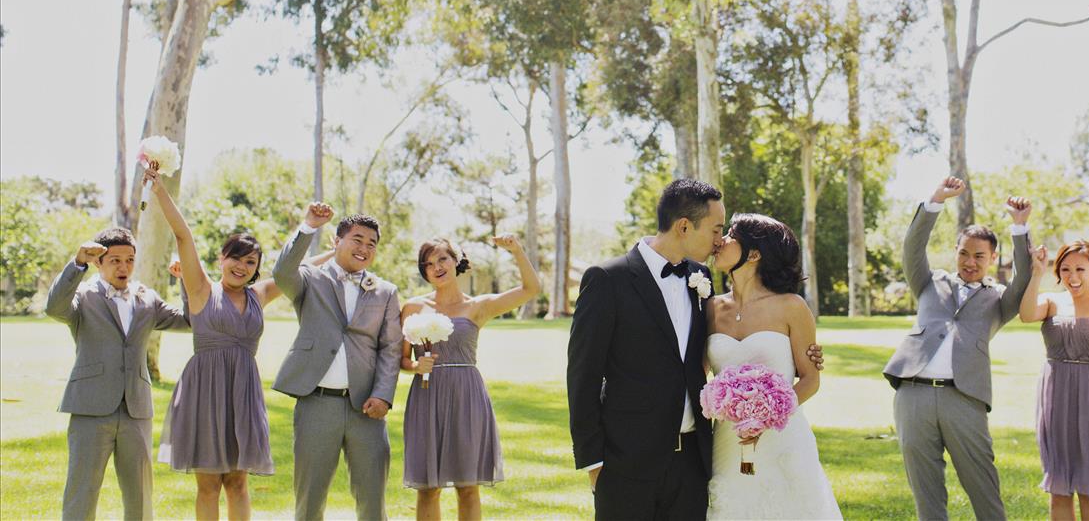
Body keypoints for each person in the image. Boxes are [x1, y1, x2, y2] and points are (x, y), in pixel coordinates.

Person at [566, 178, 825, 521]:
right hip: (627, 463)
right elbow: (582, 375)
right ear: (685, 226)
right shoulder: (607, 279)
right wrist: (593, 462)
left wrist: (799, 363)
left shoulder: (699, 279)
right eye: (717, 229)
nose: (720, 240)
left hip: (694, 462)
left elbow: (697, 361)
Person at [882, 178, 1035, 521]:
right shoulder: (929, 282)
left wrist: (1020, 226)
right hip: (913, 395)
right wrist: (936, 200)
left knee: (983, 486)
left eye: (979, 256)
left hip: (964, 398)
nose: (970, 262)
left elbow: (1024, 278)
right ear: (955, 252)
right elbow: (912, 247)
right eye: (964, 253)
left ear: (993, 258)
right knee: (926, 490)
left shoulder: (999, 300)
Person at [146, 168, 284, 520]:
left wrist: (317, 235)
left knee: (238, 483)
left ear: (256, 269)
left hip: (243, 393)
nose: (242, 266)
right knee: (208, 485)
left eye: (250, 262)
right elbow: (183, 235)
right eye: (236, 257)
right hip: (204, 391)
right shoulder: (200, 289)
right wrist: (159, 190)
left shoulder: (259, 295)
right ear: (222, 258)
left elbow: (293, 270)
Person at [45, 226, 189, 520]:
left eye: (130, 260)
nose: (124, 267)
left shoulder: (147, 298)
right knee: (81, 492)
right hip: (90, 407)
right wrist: (78, 264)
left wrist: (186, 281)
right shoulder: (83, 296)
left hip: (136, 409)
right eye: (115, 260)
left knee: (140, 495)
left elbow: (190, 321)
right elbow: (54, 308)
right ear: (98, 262)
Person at [704, 213, 841, 520]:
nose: (720, 241)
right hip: (727, 439)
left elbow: (810, 379)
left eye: (730, 236)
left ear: (754, 253)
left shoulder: (792, 306)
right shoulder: (710, 308)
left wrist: (763, 418)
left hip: (782, 437)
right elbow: (697, 375)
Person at [272, 207, 403, 521]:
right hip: (316, 404)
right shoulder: (310, 279)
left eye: (371, 244)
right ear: (336, 241)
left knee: (373, 501)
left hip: (366, 408)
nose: (364, 248)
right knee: (309, 499)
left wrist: (383, 395)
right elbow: (282, 272)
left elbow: (391, 348)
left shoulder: (385, 292)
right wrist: (308, 226)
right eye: (357, 240)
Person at [401, 235, 541, 520]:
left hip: (467, 397)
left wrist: (517, 251)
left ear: (456, 261)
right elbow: (400, 359)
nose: (437, 267)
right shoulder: (413, 308)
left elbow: (531, 289)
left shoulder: (478, 306)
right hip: (427, 398)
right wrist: (416, 366)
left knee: (467, 486)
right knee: (428, 488)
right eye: (428, 264)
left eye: (442, 259)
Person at [1018, 240, 1089, 521]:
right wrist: (1036, 273)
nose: (1073, 276)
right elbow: (1026, 315)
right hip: (1056, 392)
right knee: (1059, 488)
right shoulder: (1051, 302)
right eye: (1065, 269)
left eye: (1080, 269)